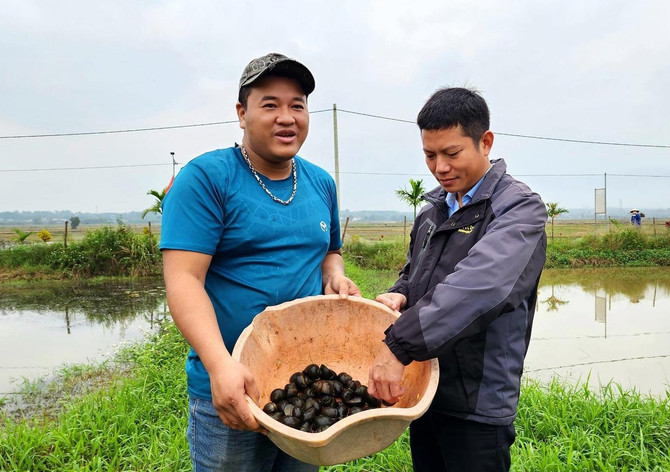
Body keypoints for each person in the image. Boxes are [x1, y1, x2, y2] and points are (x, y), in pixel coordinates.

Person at [160, 52, 360, 472]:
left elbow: (329, 251)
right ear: (242, 112)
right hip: (233, 382)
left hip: (302, 385)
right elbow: (183, 280)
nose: (286, 117)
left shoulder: (321, 182)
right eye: (270, 104)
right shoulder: (206, 178)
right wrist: (220, 366)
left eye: (297, 105)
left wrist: (335, 277)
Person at [367, 87, 547, 472]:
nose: (440, 167)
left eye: (452, 153)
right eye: (430, 155)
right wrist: (400, 294)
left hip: (477, 401)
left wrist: (398, 345)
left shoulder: (517, 208)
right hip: (425, 386)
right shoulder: (434, 209)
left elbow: (480, 286)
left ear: (485, 142)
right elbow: (415, 271)